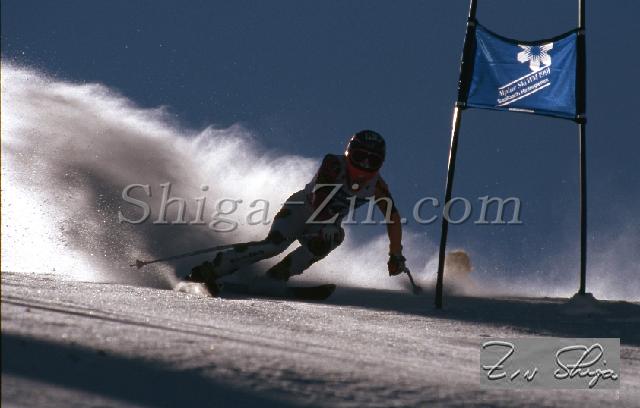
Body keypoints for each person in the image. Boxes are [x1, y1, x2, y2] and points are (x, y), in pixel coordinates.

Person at [186, 130, 408, 294]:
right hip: (300, 210)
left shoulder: (377, 186)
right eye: (360, 157)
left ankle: (277, 276)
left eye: (372, 161)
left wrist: (395, 254)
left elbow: (393, 217)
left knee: (333, 238)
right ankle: (214, 268)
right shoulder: (334, 164)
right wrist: (328, 222)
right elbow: (320, 195)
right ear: (349, 153)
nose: (364, 166)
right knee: (275, 246)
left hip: (324, 225)